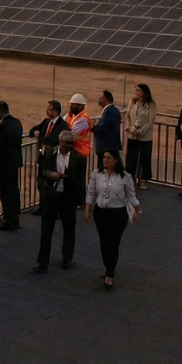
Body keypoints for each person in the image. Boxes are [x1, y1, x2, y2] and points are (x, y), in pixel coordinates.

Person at [84, 150, 142, 289]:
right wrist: (87, 209)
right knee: (104, 242)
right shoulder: (96, 174)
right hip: (101, 213)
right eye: (104, 157)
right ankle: (108, 265)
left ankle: (110, 275)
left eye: (109, 158)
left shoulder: (125, 177)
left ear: (116, 160)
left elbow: (131, 195)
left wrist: (138, 210)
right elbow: (91, 192)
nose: (105, 160)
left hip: (118, 214)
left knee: (113, 243)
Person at [33, 132, 87, 273]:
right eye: (66, 143)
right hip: (51, 198)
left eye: (71, 143)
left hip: (68, 199)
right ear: (60, 141)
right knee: (46, 231)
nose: (69, 146)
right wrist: (49, 177)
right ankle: (42, 262)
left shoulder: (78, 158)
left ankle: (67, 258)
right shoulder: (49, 153)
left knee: (69, 230)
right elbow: (41, 173)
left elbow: (79, 180)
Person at [28, 101, 69, 216]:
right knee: (40, 182)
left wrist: (40, 136)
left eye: (49, 109)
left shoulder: (63, 126)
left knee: (53, 185)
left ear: (55, 111)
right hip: (43, 158)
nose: (47, 111)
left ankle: (54, 209)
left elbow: (54, 140)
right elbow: (32, 130)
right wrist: (36, 132)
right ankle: (42, 206)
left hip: (54, 160)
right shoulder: (46, 122)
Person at [0, 101, 25, 231]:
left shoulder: (3, 125)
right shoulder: (17, 122)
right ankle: (15, 218)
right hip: (14, 162)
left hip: (4, 164)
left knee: (5, 192)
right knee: (14, 190)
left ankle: (8, 220)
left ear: (0, 111)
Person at [124, 84, 157, 190]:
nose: (136, 92)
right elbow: (128, 115)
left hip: (145, 136)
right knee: (131, 159)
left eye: (138, 90)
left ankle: (143, 180)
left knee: (145, 158)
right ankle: (131, 180)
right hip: (132, 135)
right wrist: (128, 127)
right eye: (136, 90)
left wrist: (141, 131)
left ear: (144, 92)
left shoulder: (151, 104)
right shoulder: (132, 102)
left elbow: (150, 121)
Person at [93, 90, 122, 159]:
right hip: (108, 148)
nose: (98, 99)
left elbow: (102, 128)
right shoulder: (112, 111)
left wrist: (93, 127)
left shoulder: (110, 112)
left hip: (107, 149)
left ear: (105, 99)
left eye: (100, 98)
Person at [65, 94, 94, 159]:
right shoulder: (72, 115)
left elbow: (70, 134)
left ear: (81, 106)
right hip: (74, 152)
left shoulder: (83, 120)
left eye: (73, 105)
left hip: (80, 153)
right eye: (70, 104)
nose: (71, 107)